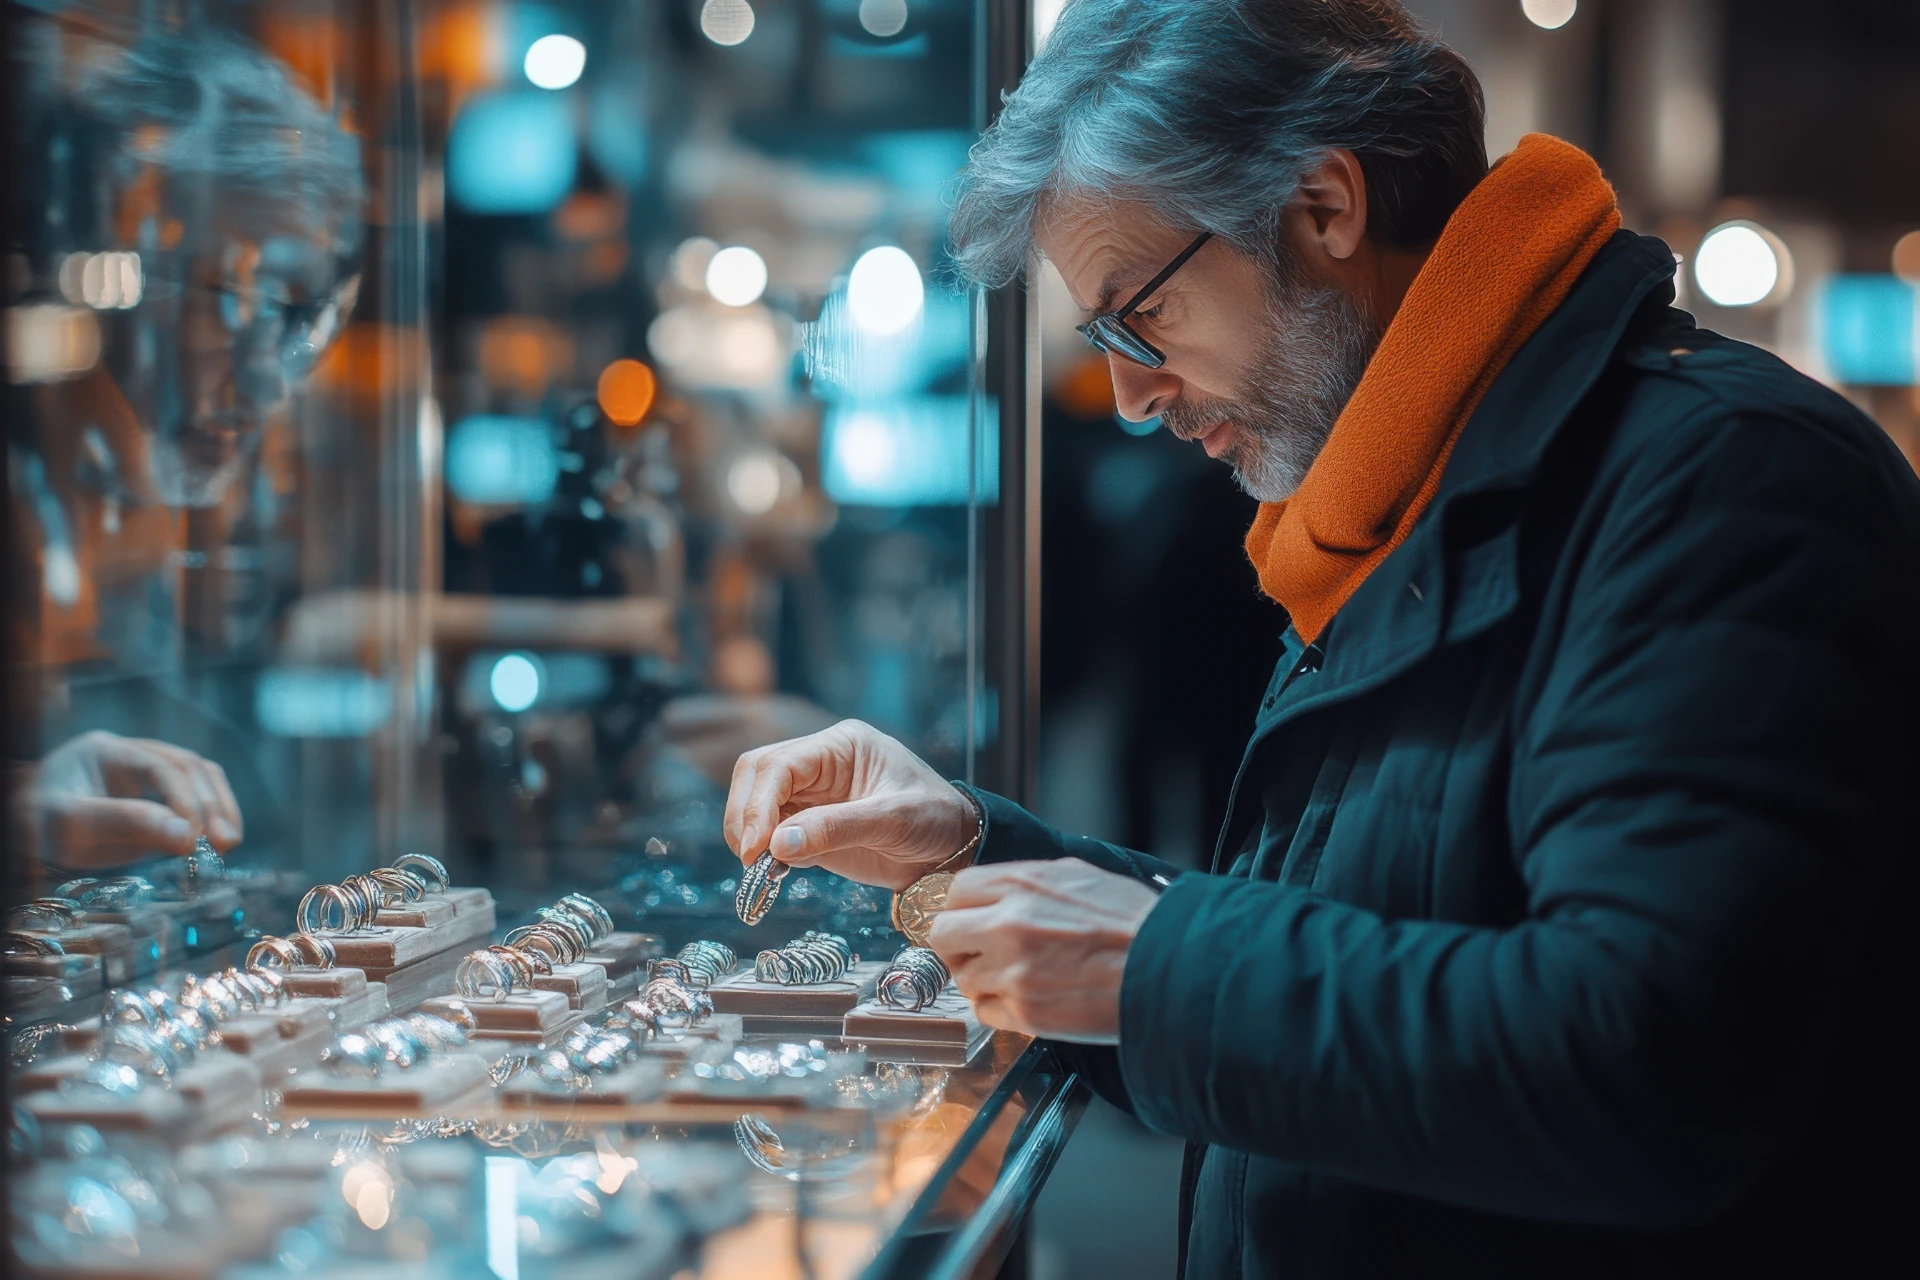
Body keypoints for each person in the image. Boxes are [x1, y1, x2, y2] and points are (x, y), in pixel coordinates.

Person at [723, 2, 1920, 1275]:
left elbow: (1655, 1062)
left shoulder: (1725, 482)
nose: (1129, 395)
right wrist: (978, 847)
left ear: (1323, 206)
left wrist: (1155, 965)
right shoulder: (1399, 502)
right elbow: (1367, 950)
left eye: (1139, 316)